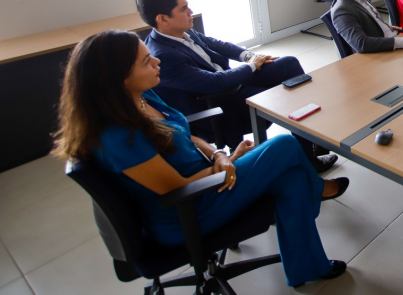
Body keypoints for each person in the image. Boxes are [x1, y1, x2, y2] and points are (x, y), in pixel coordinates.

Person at [52, 30, 349, 288]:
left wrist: (220, 155)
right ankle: (317, 190)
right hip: (187, 211)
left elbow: (186, 134)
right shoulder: (118, 136)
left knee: (292, 177)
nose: (156, 61)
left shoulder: (143, 97)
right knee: (284, 145)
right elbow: (176, 188)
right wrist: (225, 166)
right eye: (146, 61)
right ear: (120, 80)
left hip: (210, 179)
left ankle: (307, 268)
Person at [138, 0, 337, 173]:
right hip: (219, 102)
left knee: (289, 64)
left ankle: (312, 139)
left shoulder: (182, 31)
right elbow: (214, 83)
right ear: (163, 19)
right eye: (183, 9)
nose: (190, 12)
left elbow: (217, 44)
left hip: (230, 83)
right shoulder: (163, 55)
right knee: (286, 98)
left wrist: (249, 56)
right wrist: (252, 66)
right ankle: (308, 156)